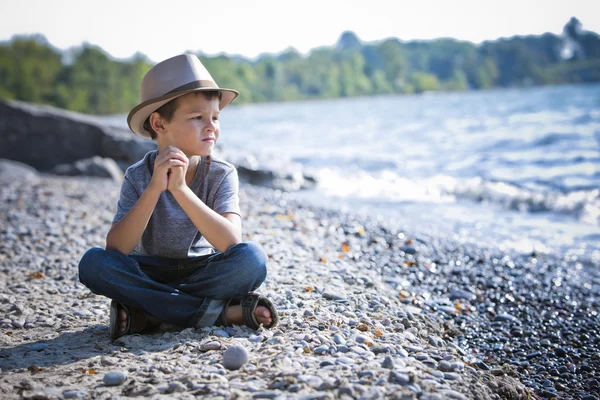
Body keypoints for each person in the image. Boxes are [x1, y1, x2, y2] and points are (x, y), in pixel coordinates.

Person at [77, 54, 278, 340]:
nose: (211, 127)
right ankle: (216, 314)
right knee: (94, 264)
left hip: (202, 271)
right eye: (198, 118)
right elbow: (117, 248)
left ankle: (150, 313)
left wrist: (181, 190)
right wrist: (155, 189)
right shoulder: (138, 175)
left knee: (253, 259)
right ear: (159, 124)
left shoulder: (220, 174)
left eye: (215, 117)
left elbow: (230, 242)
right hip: (149, 271)